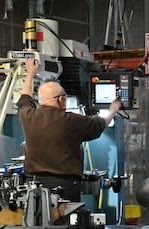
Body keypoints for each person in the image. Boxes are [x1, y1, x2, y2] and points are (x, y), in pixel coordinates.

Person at [17, 57, 120, 202]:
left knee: (37, 222)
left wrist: (30, 73)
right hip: (65, 186)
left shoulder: (28, 116)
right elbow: (100, 125)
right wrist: (112, 111)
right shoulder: (71, 121)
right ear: (60, 99)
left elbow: (24, 98)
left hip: (34, 186)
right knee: (66, 222)